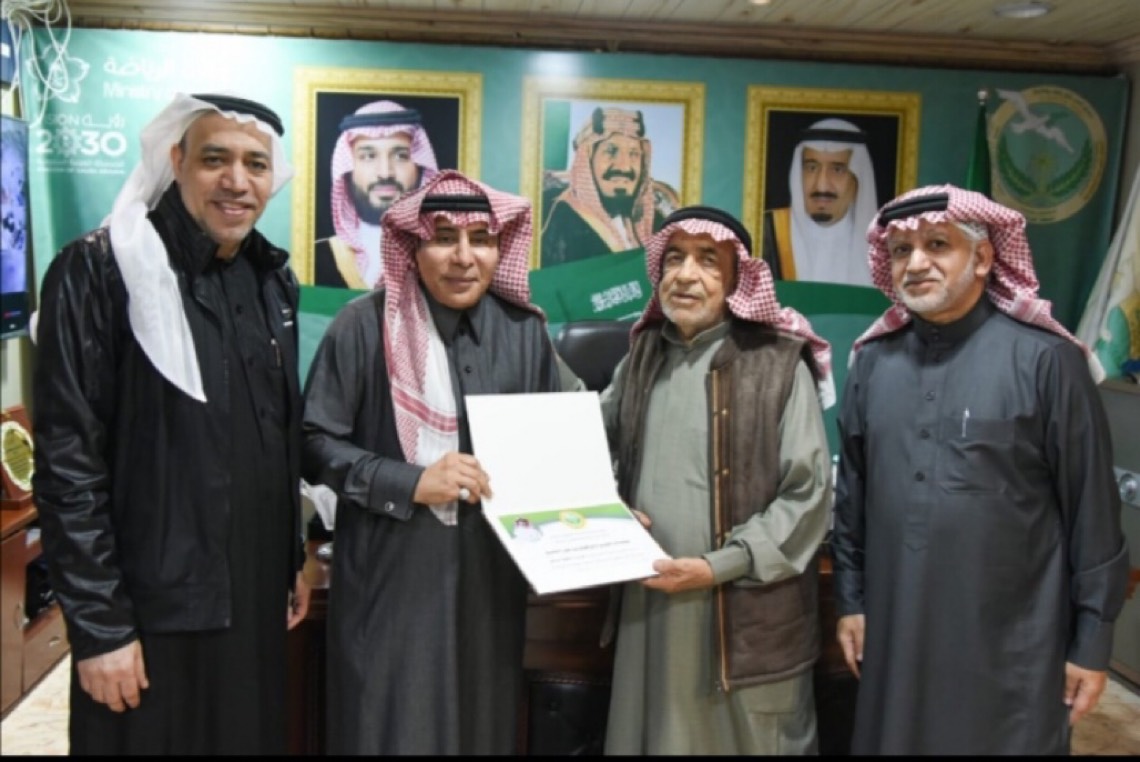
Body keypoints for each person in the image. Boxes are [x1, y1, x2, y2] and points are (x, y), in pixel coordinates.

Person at [30, 92, 309, 755]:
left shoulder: (271, 279)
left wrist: (289, 558)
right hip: (150, 609)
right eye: (215, 160)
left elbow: (275, 436)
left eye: (255, 164)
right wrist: (100, 627)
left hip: (253, 598)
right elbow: (69, 463)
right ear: (176, 160)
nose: (237, 181)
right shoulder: (100, 269)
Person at [830, 184, 1131, 755]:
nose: (916, 263)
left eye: (938, 244)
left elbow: (1093, 514)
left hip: (1013, 647)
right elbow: (853, 502)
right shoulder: (872, 364)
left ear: (985, 257)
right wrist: (852, 602)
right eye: (901, 250)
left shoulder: (1048, 361)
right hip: (895, 631)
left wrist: (1092, 643)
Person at [301, 168, 567, 754]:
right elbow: (314, 442)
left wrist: (599, 509)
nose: (464, 257)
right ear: (413, 246)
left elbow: (553, 447)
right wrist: (409, 481)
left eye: (482, 239)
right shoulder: (362, 326)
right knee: (391, 730)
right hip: (392, 577)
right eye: (444, 238)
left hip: (489, 583)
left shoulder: (525, 333)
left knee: (482, 730)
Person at [601, 205, 836, 754]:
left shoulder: (779, 363)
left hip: (745, 612)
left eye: (708, 260)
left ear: (737, 280)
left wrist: (718, 566)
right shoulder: (641, 358)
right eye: (674, 258)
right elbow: (593, 451)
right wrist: (608, 507)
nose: (686, 275)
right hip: (650, 611)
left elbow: (808, 496)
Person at [313, 99, 439, 289]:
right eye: (368, 156)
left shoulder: (444, 256)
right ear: (348, 170)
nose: (385, 173)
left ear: (421, 169)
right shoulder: (315, 256)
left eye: (401, 156)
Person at [540, 106, 676, 268]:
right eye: (611, 151)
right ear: (587, 160)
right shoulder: (561, 219)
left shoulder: (657, 221)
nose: (624, 167)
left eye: (634, 153)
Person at [761, 117, 878, 286]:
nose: (822, 185)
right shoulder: (768, 230)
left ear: (857, 178)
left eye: (837, 169)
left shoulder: (883, 247)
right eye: (811, 168)